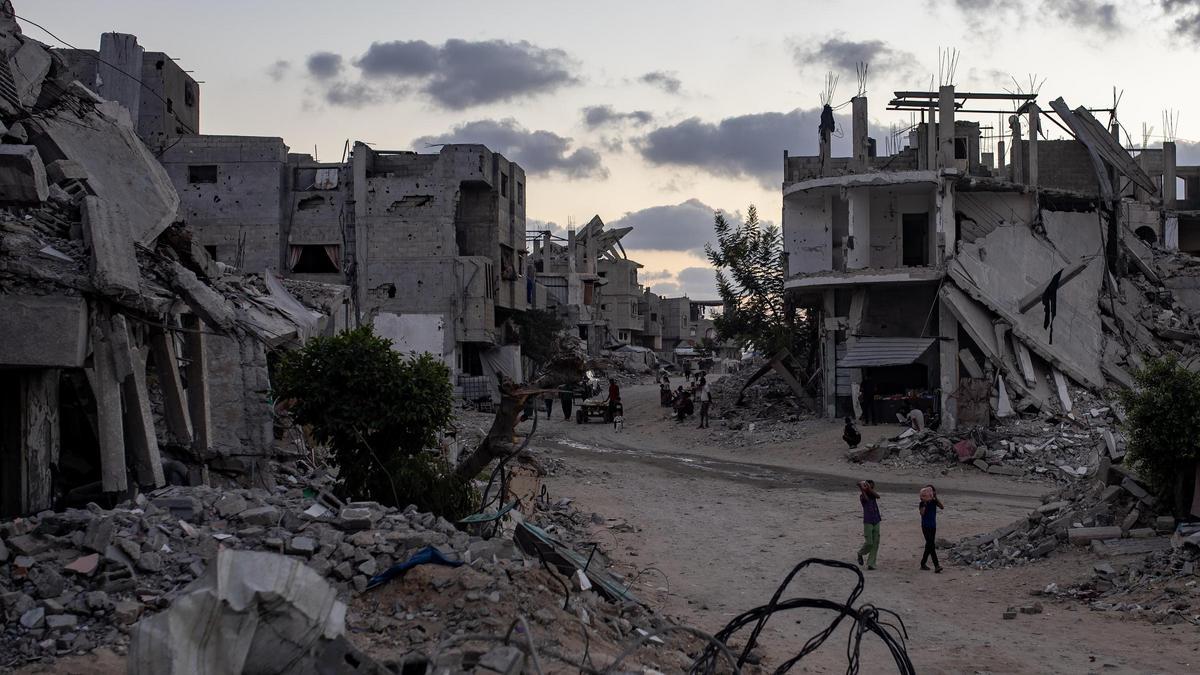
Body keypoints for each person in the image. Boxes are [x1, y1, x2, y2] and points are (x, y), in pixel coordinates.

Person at [856, 480, 881, 570]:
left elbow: (878, 496)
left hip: (876, 520)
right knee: (869, 542)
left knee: (875, 543)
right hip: (868, 521)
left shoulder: (873, 495)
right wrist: (862, 489)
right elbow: (866, 499)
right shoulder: (863, 496)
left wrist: (868, 489)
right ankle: (860, 553)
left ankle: (871, 563)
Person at [919, 485, 944, 572]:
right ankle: (936, 565)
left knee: (928, 546)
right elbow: (922, 513)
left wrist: (935, 498)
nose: (928, 493)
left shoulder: (934, 502)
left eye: (930, 491)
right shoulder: (922, 503)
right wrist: (924, 502)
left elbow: (942, 507)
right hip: (925, 526)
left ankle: (923, 564)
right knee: (931, 545)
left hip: (933, 526)